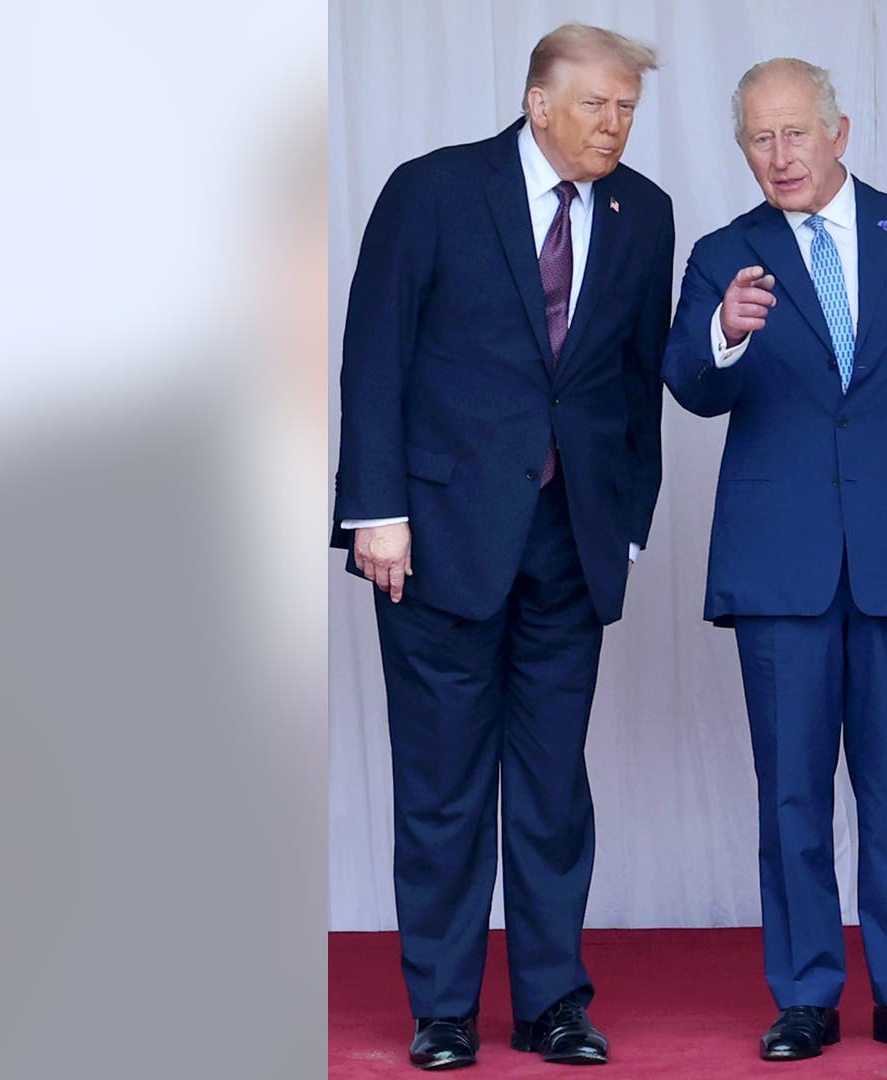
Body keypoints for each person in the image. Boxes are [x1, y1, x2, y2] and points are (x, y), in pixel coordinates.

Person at [332, 22, 672, 1070]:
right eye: (594, 105)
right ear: (536, 100)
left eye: (626, 108)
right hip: (435, 542)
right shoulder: (432, 191)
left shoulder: (643, 211)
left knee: (552, 786)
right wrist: (373, 510)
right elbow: (373, 355)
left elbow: (632, 379)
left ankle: (551, 1003)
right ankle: (441, 1010)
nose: (614, 125)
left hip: (571, 545)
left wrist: (627, 520)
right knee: (442, 785)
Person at [662, 57, 887, 1062]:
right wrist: (724, 334)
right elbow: (687, 379)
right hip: (781, 568)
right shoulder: (728, 254)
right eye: (758, 140)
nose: (778, 157)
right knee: (793, 795)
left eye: (794, 134)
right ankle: (805, 995)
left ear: (839, 132)